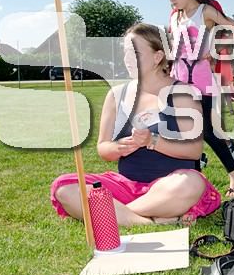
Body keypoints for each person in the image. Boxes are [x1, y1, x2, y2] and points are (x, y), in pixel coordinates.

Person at [50, 23, 220, 226]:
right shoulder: (116, 95)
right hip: (125, 187)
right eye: (125, 53)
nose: (127, 59)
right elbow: (103, 148)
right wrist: (118, 148)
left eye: (135, 53)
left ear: (158, 57)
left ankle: (115, 213)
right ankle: (151, 220)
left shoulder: (183, 93)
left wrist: (152, 141)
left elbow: (194, 151)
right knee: (64, 187)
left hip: (171, 186)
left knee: (191, 183)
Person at [163, 0, 234, 197]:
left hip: (201, 81)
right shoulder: (175, 16)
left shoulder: (205, 11)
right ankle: (192, 180)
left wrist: (214, 49)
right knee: (183, 131)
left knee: (208, 131)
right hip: (179, 80)